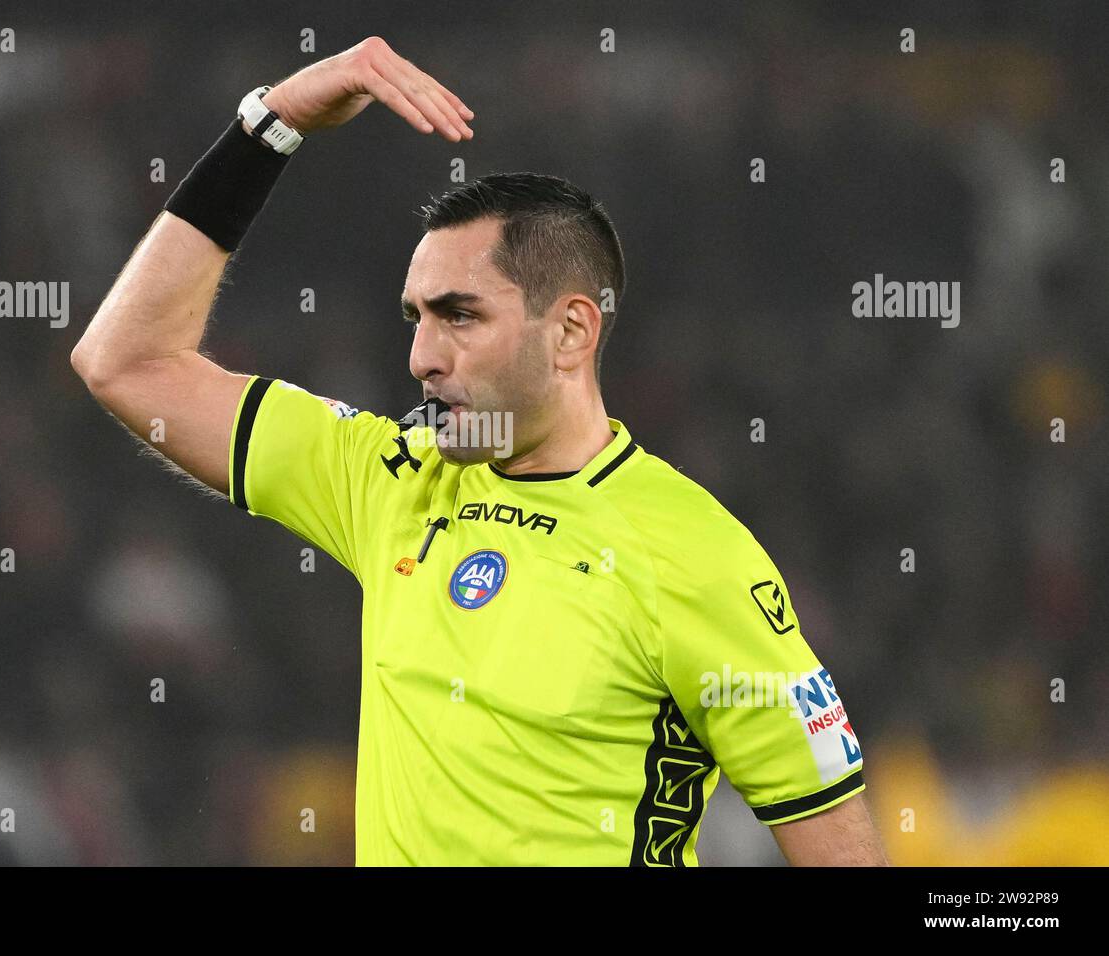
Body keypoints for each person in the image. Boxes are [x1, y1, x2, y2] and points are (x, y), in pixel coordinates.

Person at [71, 36, 886, 866]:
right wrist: (268, 125)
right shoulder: (388, 479)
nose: (423, 356)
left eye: (459, 315)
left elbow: (839, 849)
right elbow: (127, 363)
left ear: (571, 330)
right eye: (414, 318)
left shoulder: (694, 556)